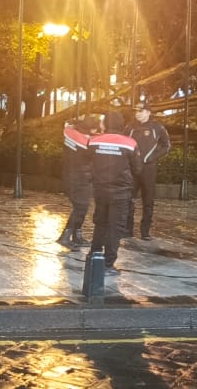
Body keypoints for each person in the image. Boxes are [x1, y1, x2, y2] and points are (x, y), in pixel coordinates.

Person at [86, 111, 142, 276]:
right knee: (115, 228)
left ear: (106, 124)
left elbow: (88, 161)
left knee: (100, 224)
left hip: (100, 190)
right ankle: (108, 264)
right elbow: (138, 169)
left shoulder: (94, 141)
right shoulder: (130, 143)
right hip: (121, 192)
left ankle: (94, 257)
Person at [125, 101, 171, 240]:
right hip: (132, 168)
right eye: (136, 111)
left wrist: (152, 157)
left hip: (148, 169)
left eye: (141, 111)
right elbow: (123, 143)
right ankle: (128, 229)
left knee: (148, 200)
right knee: (128, 199)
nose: (138, 114)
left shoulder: (157, 127)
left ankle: (145, 231)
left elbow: (167, 146)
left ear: (148, 112)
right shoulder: (129, 127)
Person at [57, 116, 100, 251]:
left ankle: (77, 236)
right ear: (92, 129)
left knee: (81, 206)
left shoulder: (70, 133)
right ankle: (65, 236)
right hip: (81, 177)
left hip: (69, 175)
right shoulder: (86, 142)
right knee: (81, 206)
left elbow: (70, 126)